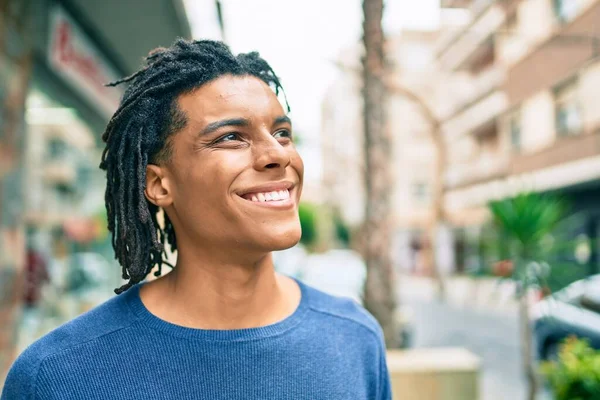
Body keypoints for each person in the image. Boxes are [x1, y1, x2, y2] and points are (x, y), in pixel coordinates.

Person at [2, 39, 392, 400]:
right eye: (231, 137)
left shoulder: (354, 339)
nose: (278, 154)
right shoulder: (54, 376)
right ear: (159, 183)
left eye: (282, 132)